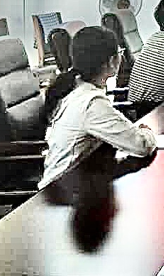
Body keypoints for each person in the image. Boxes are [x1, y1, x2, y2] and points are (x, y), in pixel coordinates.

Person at [39, 26, 157, 189]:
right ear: (112, 61)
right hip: (62, 191)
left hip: (73, 182)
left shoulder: (76, 88)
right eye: (120, 52)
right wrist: (148, 132)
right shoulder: (91, 103)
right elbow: (142, 145)